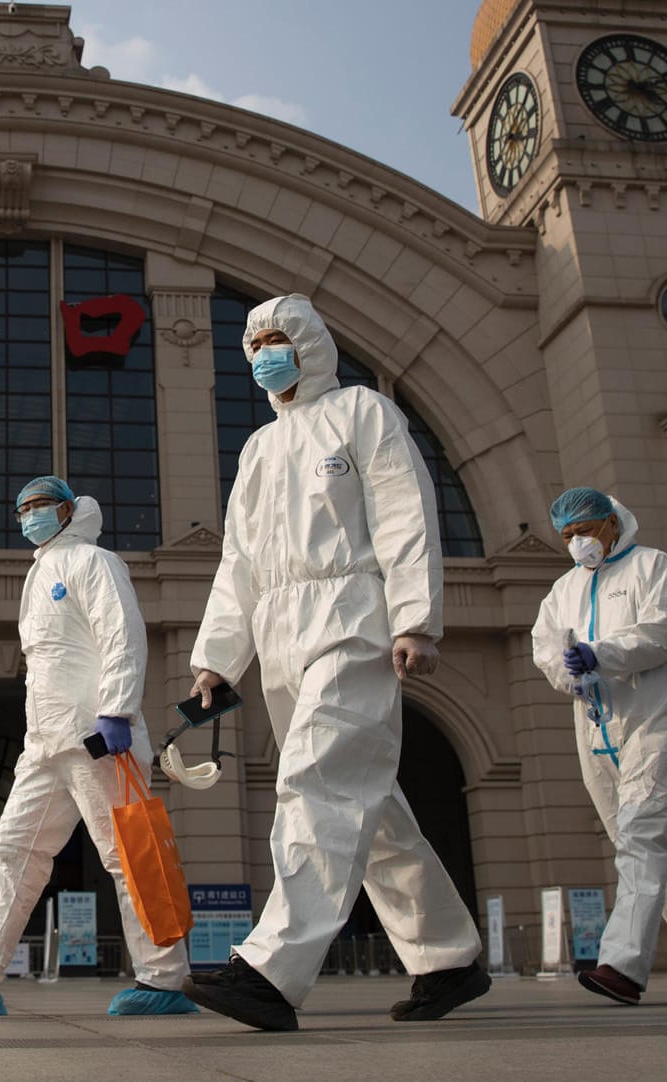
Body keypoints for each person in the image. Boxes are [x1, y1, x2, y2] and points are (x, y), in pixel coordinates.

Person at [181, 295, 488, 1031]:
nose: (262, 355)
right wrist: (218, 658)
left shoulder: (364, 414)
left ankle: (271, 970)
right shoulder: (259, 448)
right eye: (253, 345)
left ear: (312, 344)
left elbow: (405, 513)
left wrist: (414, 618)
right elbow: (239, 563)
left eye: (277, 339)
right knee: (369, 805)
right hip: (279, 630)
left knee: (316, 780)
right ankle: (447, 958)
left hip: (355, 617)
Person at [0, 478, 198, 1017]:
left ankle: (165, 980)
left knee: (127, 854)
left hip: (98, 736)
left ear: (67, 510)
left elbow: (121, 634)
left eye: (40, 506)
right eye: (23, 509)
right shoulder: (39, 574)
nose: (30, 516)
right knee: (12, 848)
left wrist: (117, 709)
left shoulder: (94, 561)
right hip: (45, 743)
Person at [529, 487, 667, 1004]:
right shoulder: (562, 590)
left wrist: (599, 653)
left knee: (641, 834)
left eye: (584, 531)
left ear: (610, 522)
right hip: (594, 722)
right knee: (656, 849)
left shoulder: (654, 567)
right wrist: (567, 672)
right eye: (567, 536)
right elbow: (545, 649)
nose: (577, 542)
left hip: (654, 716)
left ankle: (621, 966)